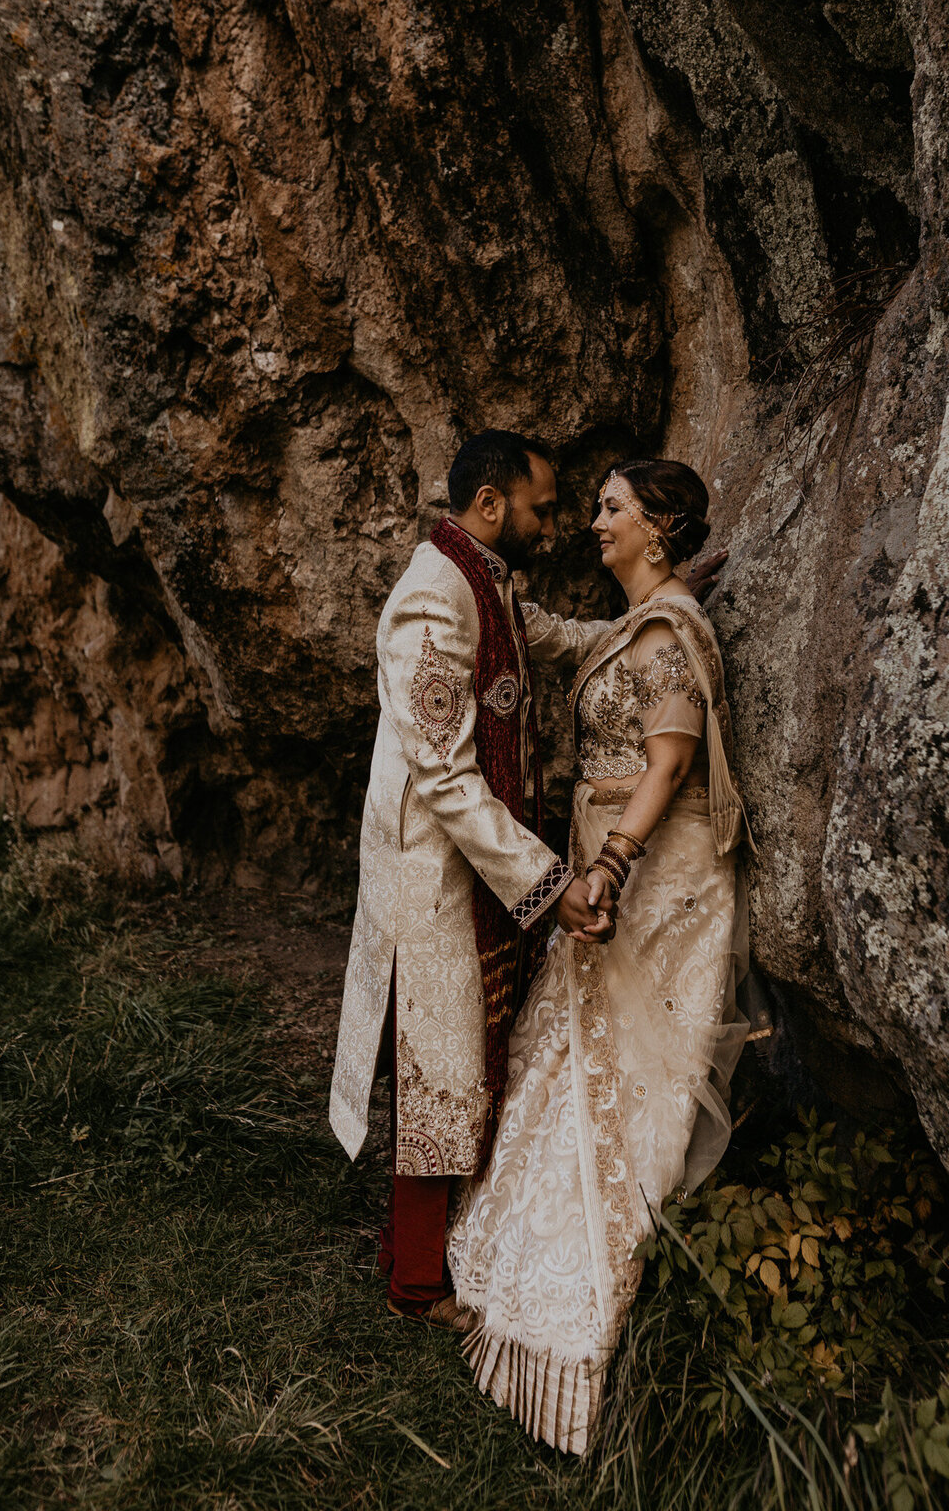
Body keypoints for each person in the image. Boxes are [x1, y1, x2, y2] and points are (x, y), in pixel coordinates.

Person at [448, 458, 749, 1455]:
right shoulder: (640, 627)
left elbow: (670, 762)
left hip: (655, 873)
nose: (593, 522)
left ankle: (586, 1346)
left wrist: (614, 866)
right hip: (605, 860)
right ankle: (515, 1293)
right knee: (571, 1063)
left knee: (628, 1082)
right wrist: (472, 564)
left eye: (611, 508)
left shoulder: (669, 633)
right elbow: (553, 637)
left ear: (659, 526)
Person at [328, 431, 618, 1326]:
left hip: (472, 872)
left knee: (457, 1063)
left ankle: (417, 1253)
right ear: (491, 502)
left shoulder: (484, 579)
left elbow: (554, 639)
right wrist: (546, 879)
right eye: (541, 507)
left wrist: (656, 617)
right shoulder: (431, 598)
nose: (553, 523)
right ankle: (415, 1288)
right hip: (435, 877)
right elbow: (445, 776)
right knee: (436, 1072)